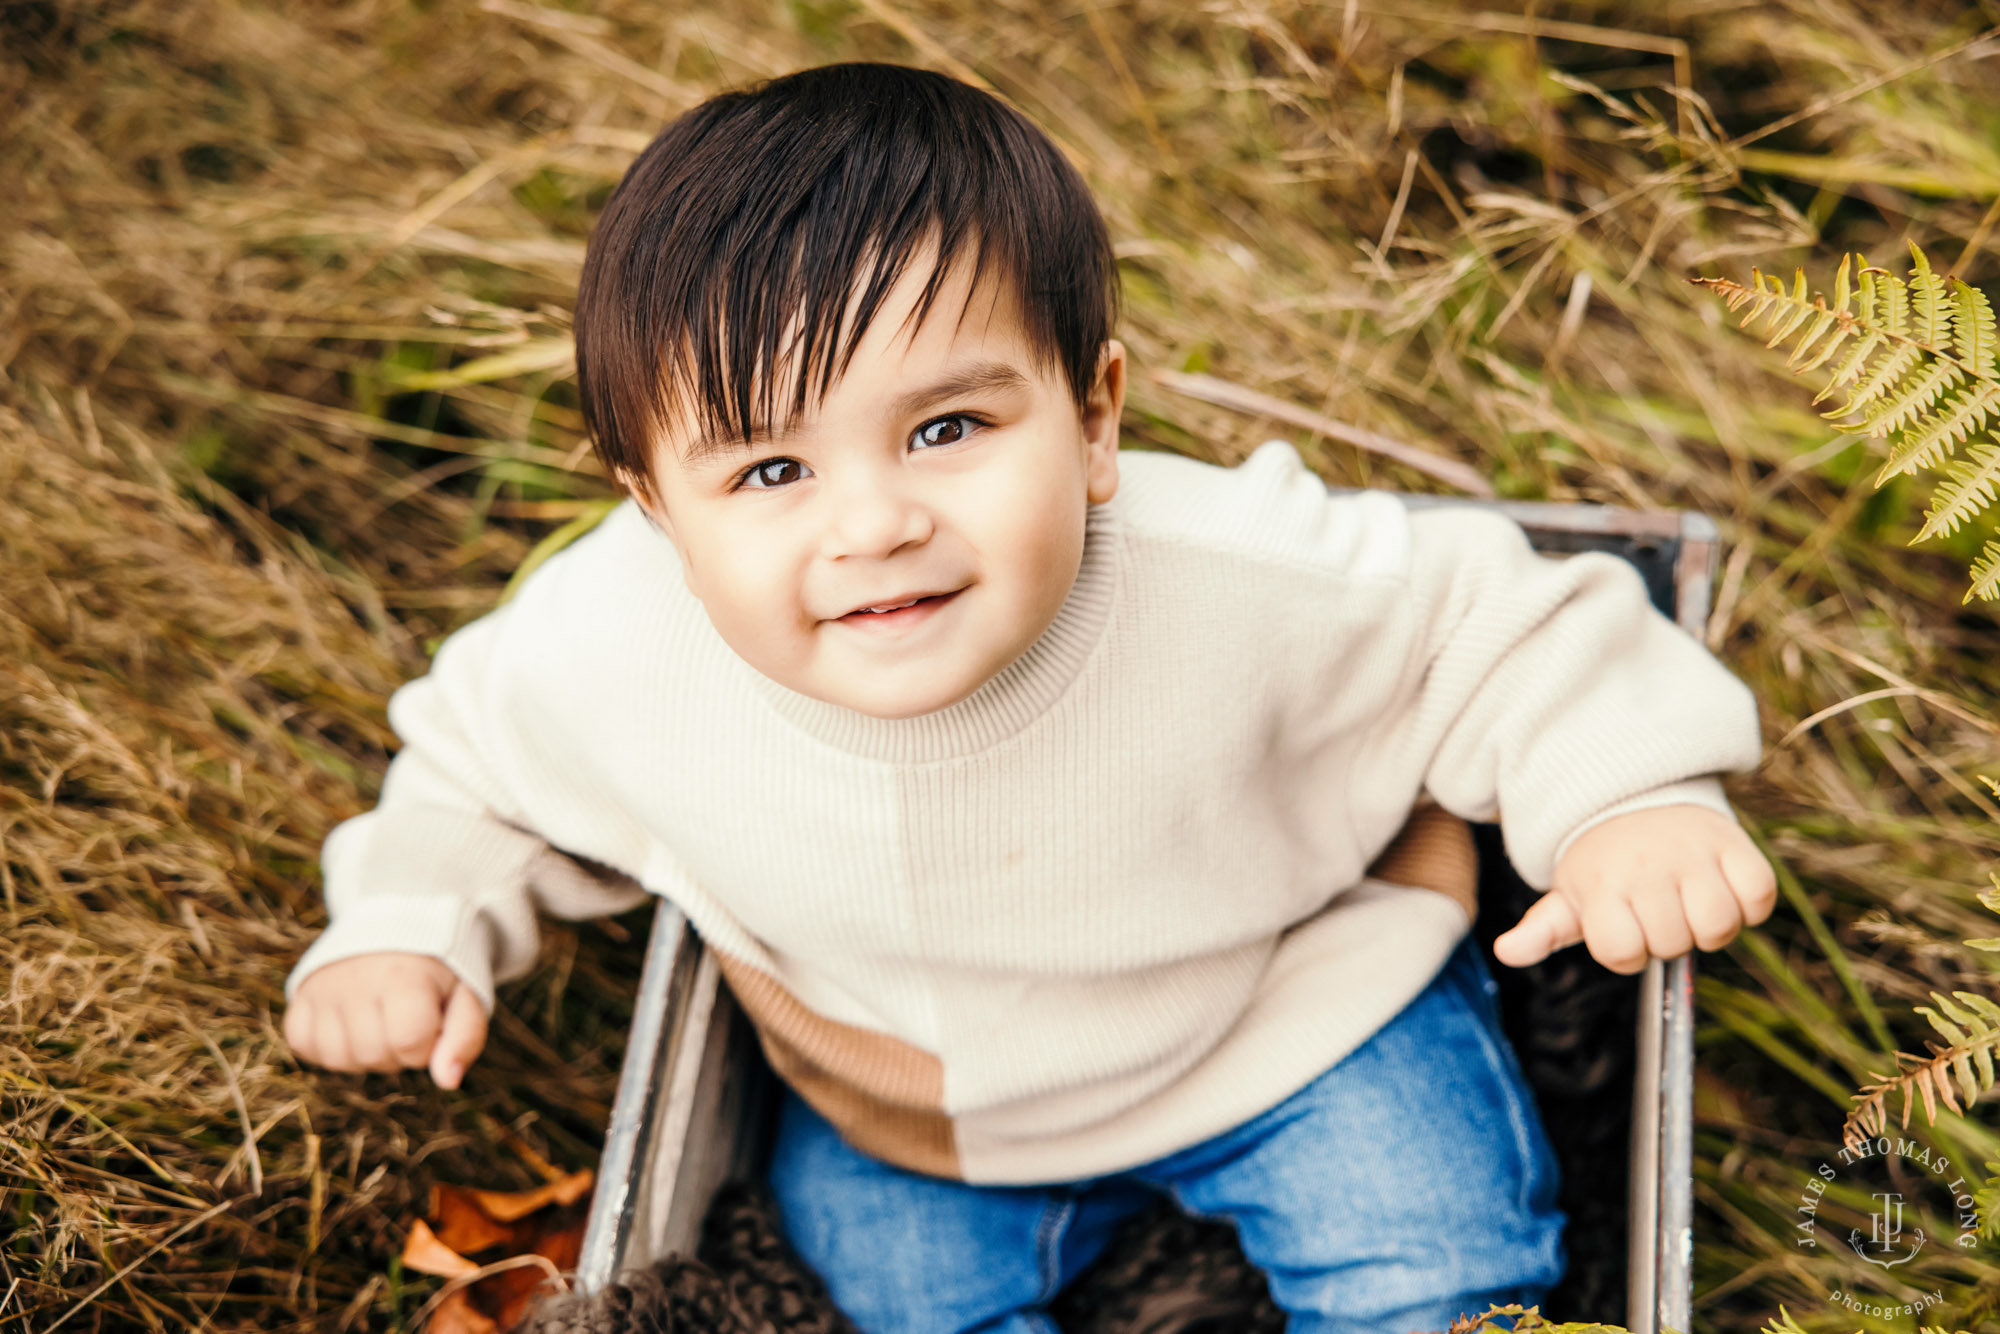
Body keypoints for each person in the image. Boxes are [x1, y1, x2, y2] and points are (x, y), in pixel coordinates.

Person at [282, 61, 1772, 1333]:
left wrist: (1631, 796)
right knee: (885, 1300)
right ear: (658, 510)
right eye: (772, 470)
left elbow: (1506, 618)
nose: (870, 524)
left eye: (946, 426)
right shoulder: (608, 644)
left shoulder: (1239, 570)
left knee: (1443, 1265)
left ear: (1095, 417)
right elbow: (474, 768)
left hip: (1291, 1010)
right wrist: (414, 924)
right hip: (912, 1115)